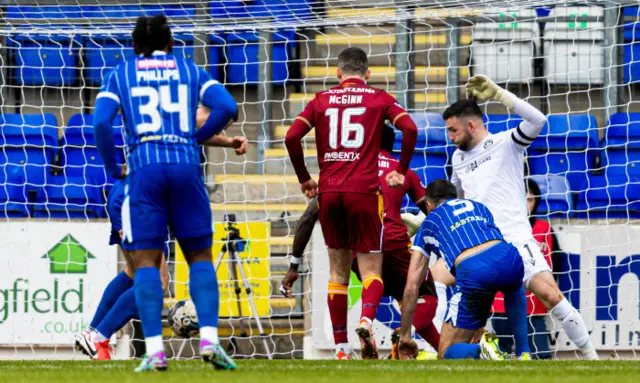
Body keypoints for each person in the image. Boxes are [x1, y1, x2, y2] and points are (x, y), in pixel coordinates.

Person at [93, 15, 238, 371]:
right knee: (200, 257)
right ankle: (210, 341)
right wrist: (195, 138)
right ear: (171, 44)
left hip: (143, 170)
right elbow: (228, 107)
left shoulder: (122, 74)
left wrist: (114, 168)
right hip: (186, 167)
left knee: (145, 261)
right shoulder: (188, 69)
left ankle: (155, 350)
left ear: (134, 47)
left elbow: (100, 122)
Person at [75, 108, 248, 361]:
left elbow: (199, 133)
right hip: (138, 201)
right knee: (158, 280)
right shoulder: (180, 117)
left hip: (126, 195)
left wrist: (228, 142)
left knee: (133, 273)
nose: (219, 130)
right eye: (221, 124)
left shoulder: (175, 118)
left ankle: (91, 332)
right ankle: (99, 336)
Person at [446, 75, 598, 360]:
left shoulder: (506, 143)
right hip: (480, 246)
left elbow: (537, 120)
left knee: (550, 294)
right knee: (437, 282)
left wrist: (500, 95)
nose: (450, 137)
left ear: (471, 125)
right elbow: (456, 198)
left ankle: (592, 358)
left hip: (515, 239)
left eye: (453, 130)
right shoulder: (458, 158)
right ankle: (459, 353)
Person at [285, 46, 418, 360]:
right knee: (371, 269)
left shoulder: (320, 100)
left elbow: (291, 137)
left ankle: (342, 349)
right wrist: (400, 171)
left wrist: (305, 178)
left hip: (328, 193)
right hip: (364, 192)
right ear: (368, 73)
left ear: (338, 73)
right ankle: (365, 321)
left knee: (338, 272)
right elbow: (410, 128)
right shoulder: (379, 97)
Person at [281, 124, 439, 360]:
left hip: (358, 242)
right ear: (391, 144)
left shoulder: (346, 170)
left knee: (340, 275)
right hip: (395, 243)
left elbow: (307, 219)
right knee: (423, 294)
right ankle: (406, 334)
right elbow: (430, 210)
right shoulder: (402, 171)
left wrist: (294, 264)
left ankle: (343, 348)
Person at [398, 180, 530, 360]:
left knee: (445, 354)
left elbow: (412, 286)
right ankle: (524, 353)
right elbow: (490, 255)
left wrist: (405, 336)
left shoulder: (429, 222)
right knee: (513, 286)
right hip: (509, 257)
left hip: (474, 272)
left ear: (428, 204)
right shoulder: (479, 206)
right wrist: (477, 322)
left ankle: (481, 351)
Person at [491, 178, 558, 359]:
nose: (526, 204)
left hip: (534, 303)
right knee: (500, 353)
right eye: (522, 199)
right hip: (501, 302)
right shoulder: (500, 228)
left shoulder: (545, 229)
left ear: (537, 202)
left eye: (530, 199)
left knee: (541, 354)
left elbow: (556, 264)